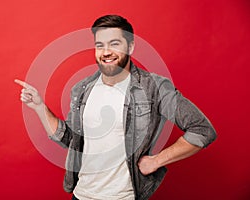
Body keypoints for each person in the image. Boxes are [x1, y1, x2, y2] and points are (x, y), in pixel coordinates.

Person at [15, 15, 217, 200]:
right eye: (100, 45)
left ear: (130, 47)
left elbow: (202, 130)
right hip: (81, 195)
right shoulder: (82, 89)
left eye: (114, 44)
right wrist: (40, 107)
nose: (106, 52)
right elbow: (71, 139)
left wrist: (156, 161)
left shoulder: (154, 88)